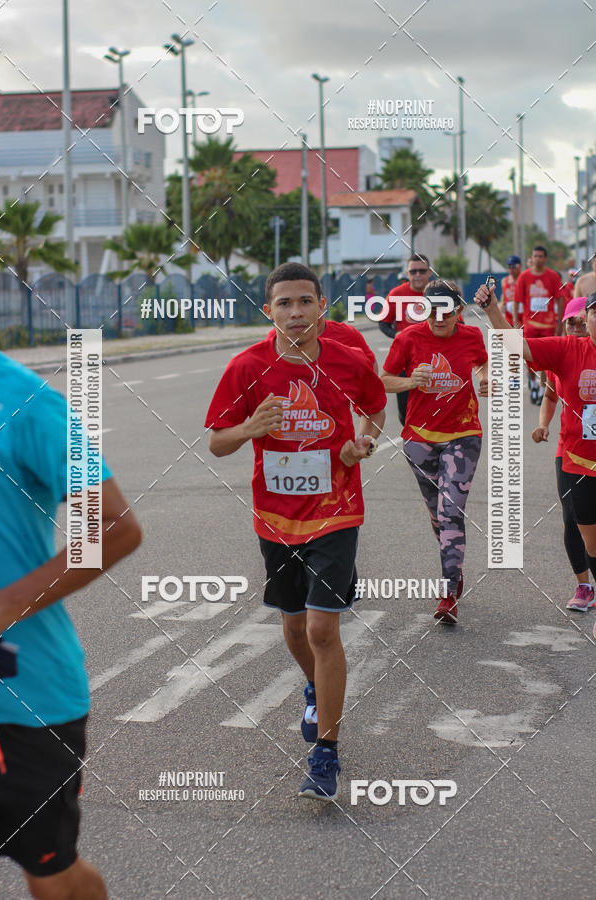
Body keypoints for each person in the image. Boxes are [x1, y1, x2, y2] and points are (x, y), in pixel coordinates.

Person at [205, 262, 386, 802]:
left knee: (322, 631)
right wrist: (249, 429)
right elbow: (217, 442)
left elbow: (375, 410)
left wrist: (363, 444)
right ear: (270, 310)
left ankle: (325, 754)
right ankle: (313, 686)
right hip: (276, 518)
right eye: (284, 303)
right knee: (292, 629)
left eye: (305, 301)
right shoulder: (248, 366)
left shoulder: (348, 361)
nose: (296, 312)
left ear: (321, 305)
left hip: (337, 511)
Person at [0, 352, 142, 900]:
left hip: (21, 699)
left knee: (51, 874)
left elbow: (116, 526)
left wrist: (7, 604)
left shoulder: (25, 403)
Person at [381, 279, 489, 624]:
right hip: (419, 438)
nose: (438, 318)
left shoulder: (471, 336)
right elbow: (382, 379)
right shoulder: (408, 338)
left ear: (459, 312)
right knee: (437, 516)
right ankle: (453, 566)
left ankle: (447, 594)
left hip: (464, 434)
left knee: (450, 512)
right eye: (430, 310)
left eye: (446, 311)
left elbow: (484, 364)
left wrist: (486, 377)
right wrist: (411, 381)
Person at [477, 283, 596, 594]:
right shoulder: (568, 350)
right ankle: (585, 586)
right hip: (581, 462)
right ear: (587, 317)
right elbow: (519, 347)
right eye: (595, 313)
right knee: (590, 540)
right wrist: (493, 311)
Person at [531, 298, 595, 611]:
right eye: (571, 323)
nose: (576, 328)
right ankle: (584, 585)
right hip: (571, 451)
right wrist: (543, 425)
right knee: (572, 519)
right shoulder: (565, 353)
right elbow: (550, 395)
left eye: (580, 322)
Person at [378, 254, 433, 426]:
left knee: (435, 410)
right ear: (407, 273)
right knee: (406, 415)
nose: (417, 274)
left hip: (435, 361)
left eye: (422, 271)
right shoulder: (396, 294)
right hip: (404, 363)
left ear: (429, 272)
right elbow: (383, 323)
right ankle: (414, 447)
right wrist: (398, 336)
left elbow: (458, 323)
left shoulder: (439, 293)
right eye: (413, 271)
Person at [513, 245, 563, 405]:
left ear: (545, 258)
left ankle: (542, 388)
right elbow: (516, 301)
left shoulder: (553, 276)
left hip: (548, 325)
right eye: (535, 256)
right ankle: (533, 382)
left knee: (546, 360)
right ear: (532, 258)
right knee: (529, 357)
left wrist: (560, 322)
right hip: (530, 325)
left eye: (541, 256)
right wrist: (516, 322)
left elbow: (560, 299)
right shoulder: (524, 277)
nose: (538, 259)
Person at [499, 255, 523, 327]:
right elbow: (503, 296)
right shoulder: (504, 281)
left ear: (520, 266)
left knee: (523, 338)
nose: (511, 268)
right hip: (509, 318)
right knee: (510, 338)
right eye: (509, 266)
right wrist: (502, 304)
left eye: (514, 266)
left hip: (523, 318)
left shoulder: (524, 279)